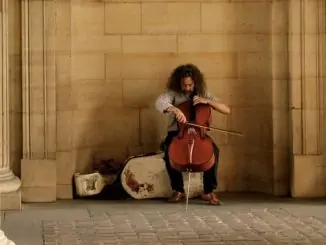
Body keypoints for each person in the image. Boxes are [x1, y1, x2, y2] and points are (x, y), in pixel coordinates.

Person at [155, 63, 231, 205]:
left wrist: (207, 101)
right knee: (169, 153)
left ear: (195, 82)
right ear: (179, 83)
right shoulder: (173, 93)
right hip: (178, 133)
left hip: (199, 133)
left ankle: (208, 192)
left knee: (214, 152)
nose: (188, 88)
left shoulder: (202, 93)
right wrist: (174, 109)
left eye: (190, 85)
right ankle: (178, 190)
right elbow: (159, 102)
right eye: (184, 85)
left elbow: (226, 109)